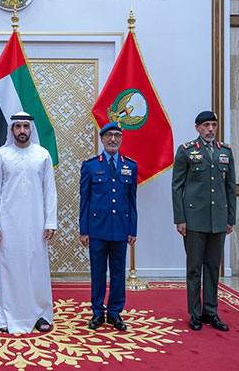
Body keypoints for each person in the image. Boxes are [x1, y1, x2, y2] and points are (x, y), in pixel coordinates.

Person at [0, 112, 58, 334]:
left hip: (37, 223)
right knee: (10, 268)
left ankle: (41, 315)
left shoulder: (42, 155)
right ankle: (9, 315)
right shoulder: (1, 155)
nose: (22, 131)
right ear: (11, 130)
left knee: (37, 268)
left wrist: (50, 222)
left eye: (25, 126)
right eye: (17, 126)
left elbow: (50, 192)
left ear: (31, 129)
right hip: (9, 224)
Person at [171, 110, 236, 332]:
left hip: (218, 220)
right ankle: (195, 314)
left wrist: (230, 218)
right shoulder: (186, 151)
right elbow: (177, 186)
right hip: (194, 220)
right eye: (206, 125)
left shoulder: (225, 151)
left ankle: (211, 312)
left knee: (212, 268)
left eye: (213, 125)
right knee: (194, 269)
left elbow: (230, 187)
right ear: (197, 127)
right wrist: (180, 218)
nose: (210, 129)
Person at [79, 121, 137, 331]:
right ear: (102, 139)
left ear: (121, 139)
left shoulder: (130, 166)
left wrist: (133, 229)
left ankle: (114, 312)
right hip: (97, 229)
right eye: (109, 135)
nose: (113, 139)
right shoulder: (91, 165)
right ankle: (97, 312)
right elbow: (84, 200)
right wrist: (83, 230)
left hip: (121, 229)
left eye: (117, 136)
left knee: (118, 273)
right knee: (98, 272)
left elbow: (132, 201)